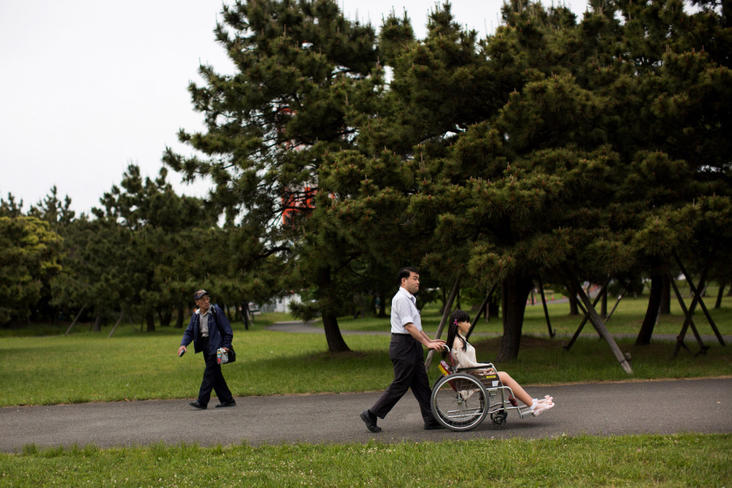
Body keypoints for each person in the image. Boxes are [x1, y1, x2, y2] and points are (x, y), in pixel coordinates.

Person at [360, 267, 446, 432]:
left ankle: (431, 419)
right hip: (403, 346)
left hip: (411, 344)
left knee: (421, 384)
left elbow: (416, 327)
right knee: (400, 384)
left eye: (418, 279)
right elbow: (408, 326)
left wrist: (429, 341)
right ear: (404, 281)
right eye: (414, 278)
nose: (417, 282)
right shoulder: (401, 299)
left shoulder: (410, 299)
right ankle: (371, 414)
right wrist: (427, 344)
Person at [444, 309, 554, 416]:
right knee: (505, 376)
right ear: (458, 323)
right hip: (472, 377)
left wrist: (484, 368)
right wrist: (485, 368)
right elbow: (467, 365)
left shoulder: (459, 339)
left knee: (504, 376)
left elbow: (467, 364)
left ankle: (530, 401)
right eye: (466, 321)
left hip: (472, 375)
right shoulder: (458, 342)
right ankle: (532, 405)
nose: (469, 324)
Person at [177, 289, 236, 409]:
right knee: (216, 374)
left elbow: (228, 331)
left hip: (218, 346)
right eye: (202, 300)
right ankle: (227, 400)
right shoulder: (196, 315)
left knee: (209, 373)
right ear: (197, 302)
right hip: (205, 346)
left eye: (207, 298)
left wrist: (226, 346)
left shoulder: (215, 311)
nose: (206, 301)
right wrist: (183, 344)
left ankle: (202, 401)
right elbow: (189, 332)